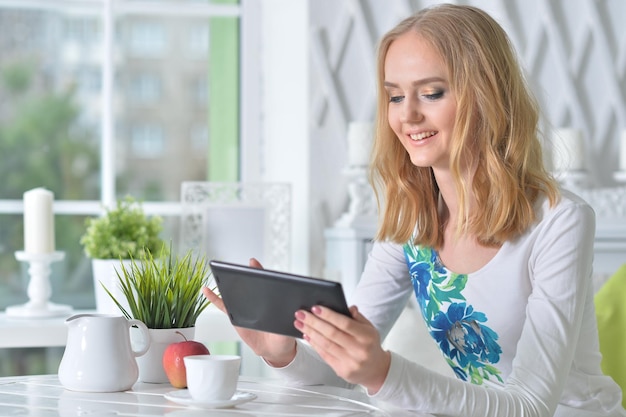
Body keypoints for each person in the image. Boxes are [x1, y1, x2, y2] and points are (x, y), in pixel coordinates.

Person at [203, 4, 626, 416]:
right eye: (395, 96)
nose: (407, 115)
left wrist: (384, 372)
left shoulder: (559, 220)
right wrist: (284, 353)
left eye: (431, 92)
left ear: (487, 95)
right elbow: (346, 376)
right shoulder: (412, 221)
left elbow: (531, 407)